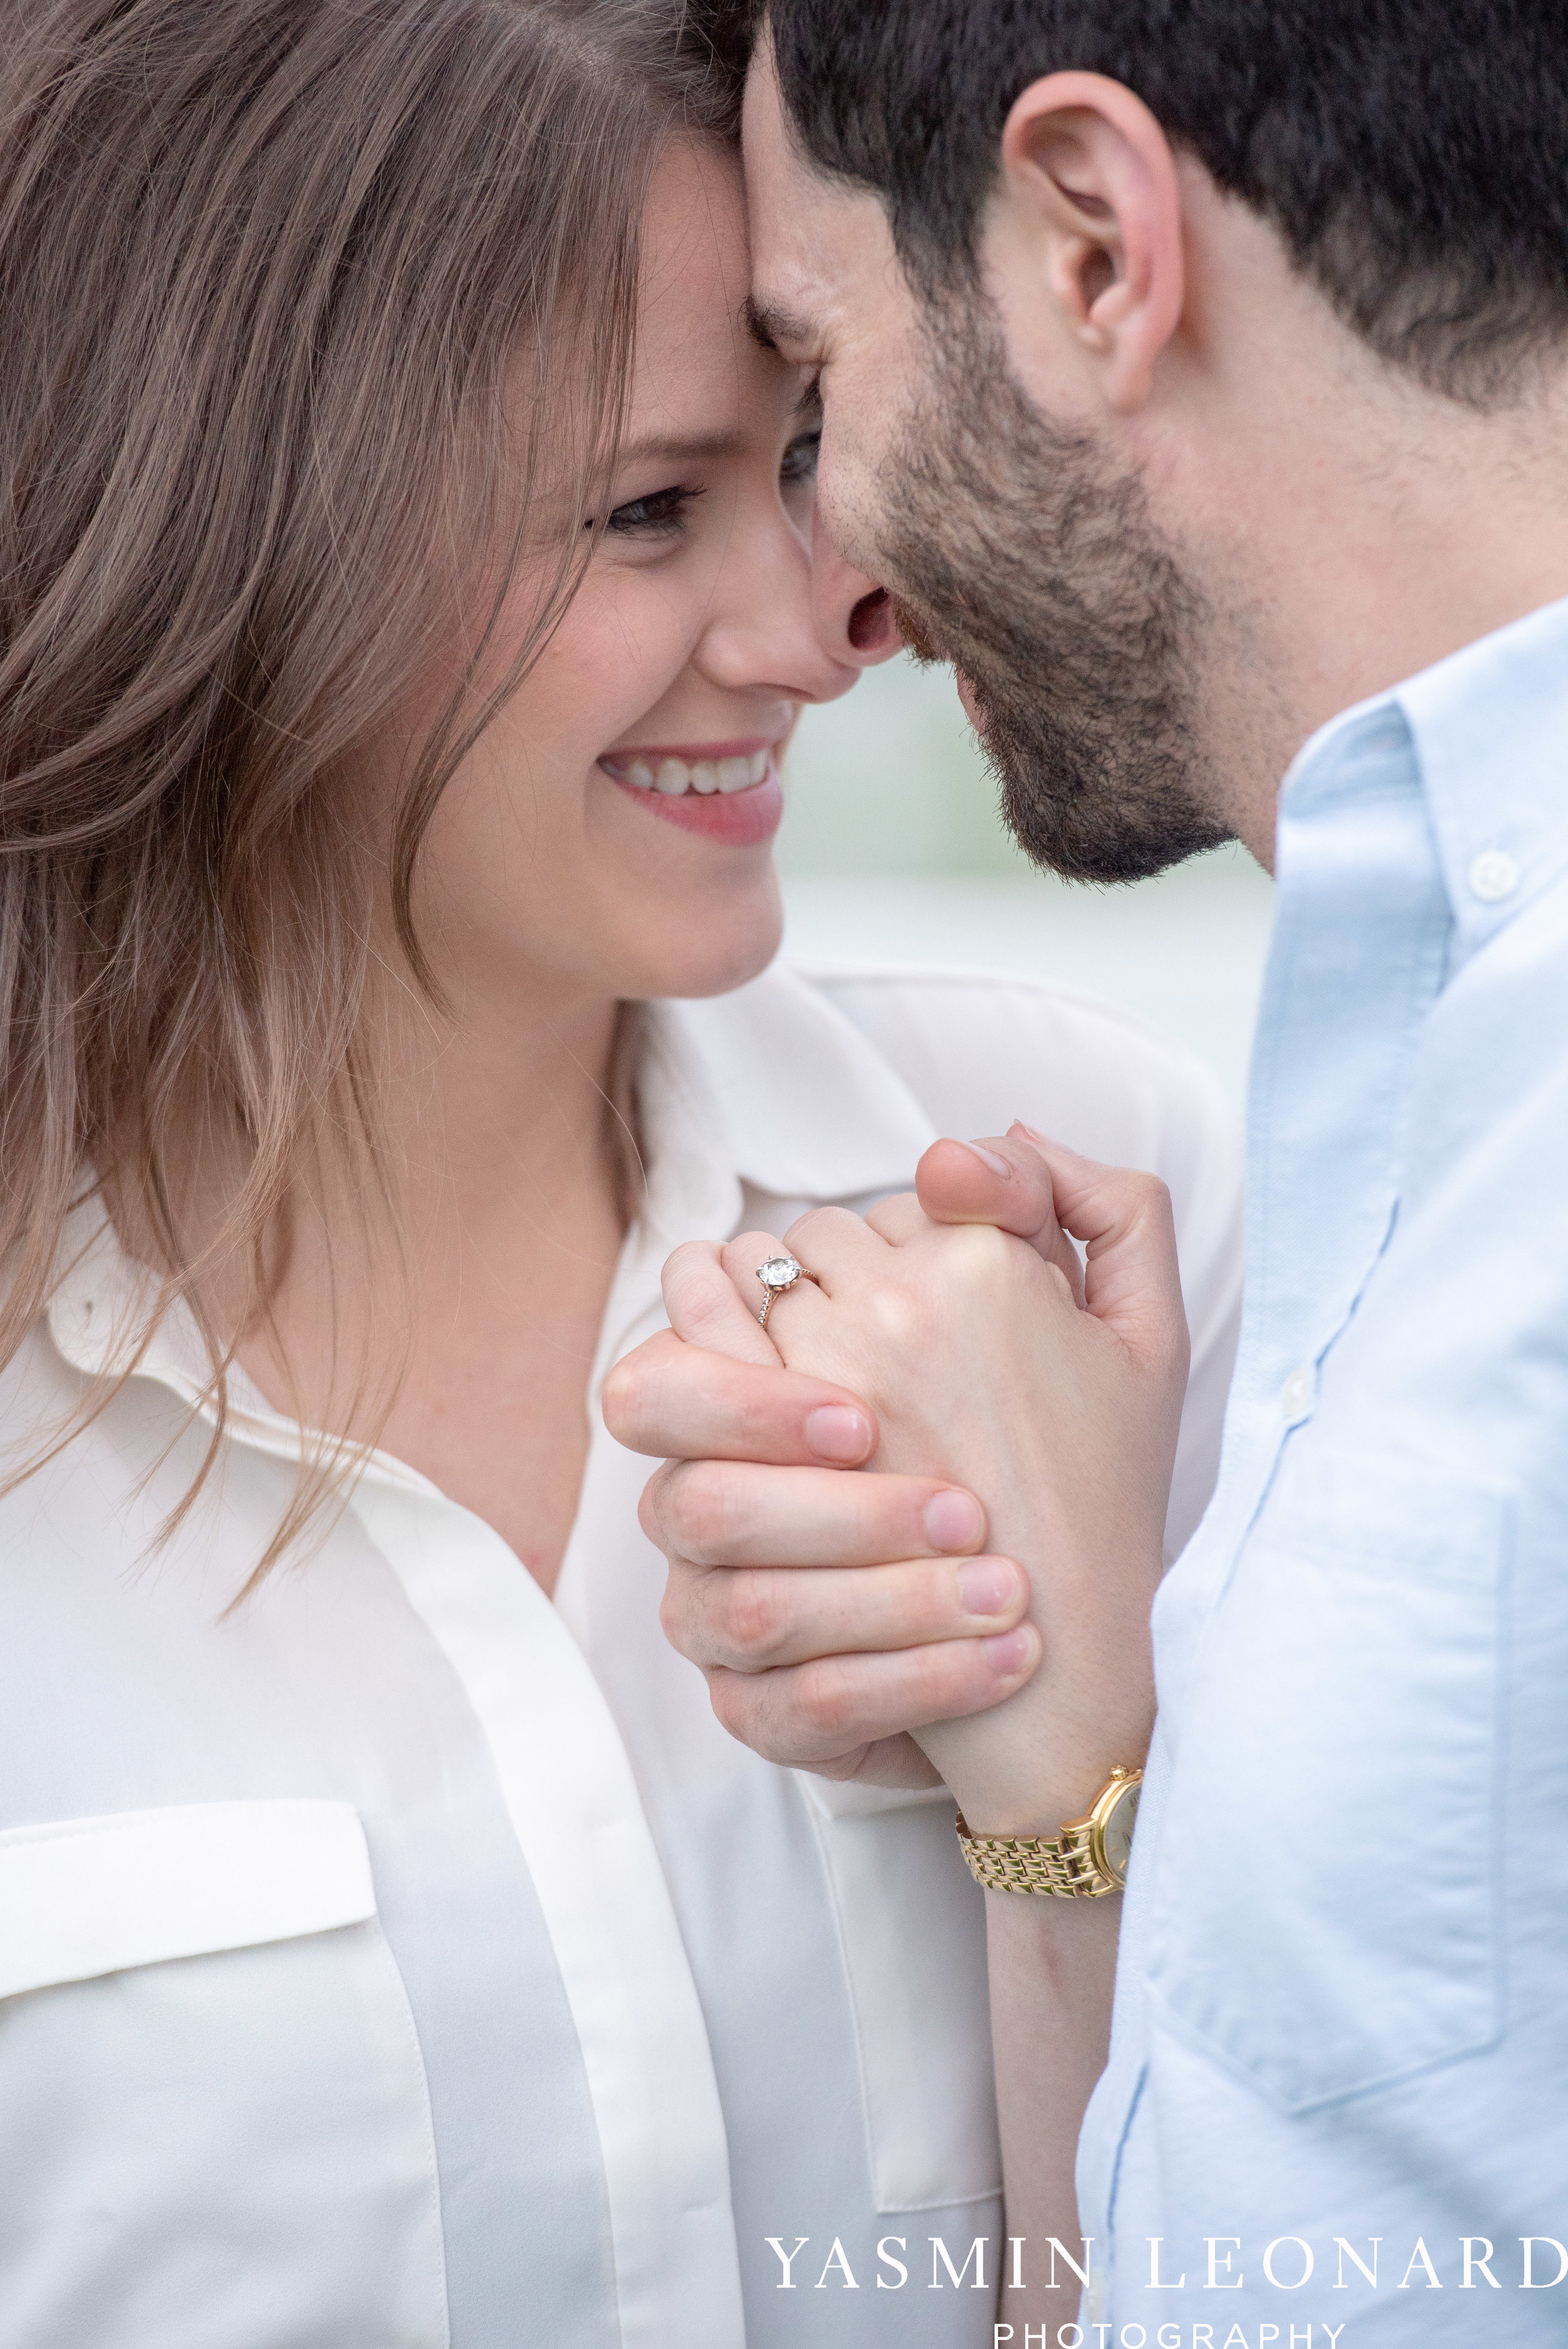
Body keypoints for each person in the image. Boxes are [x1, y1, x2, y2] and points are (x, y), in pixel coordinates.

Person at [0, 4, 1244, 2344]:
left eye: (800, 461)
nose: (816, 635)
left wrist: (1077, 1794)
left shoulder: (1084, 1232)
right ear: (226, 530)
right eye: (649, 507)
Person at [609, 3, 1568, 2341]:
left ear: (1089, 247)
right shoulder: (1429, 1065)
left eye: (824, 390)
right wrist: (1084, 1768)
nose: (847, 582)